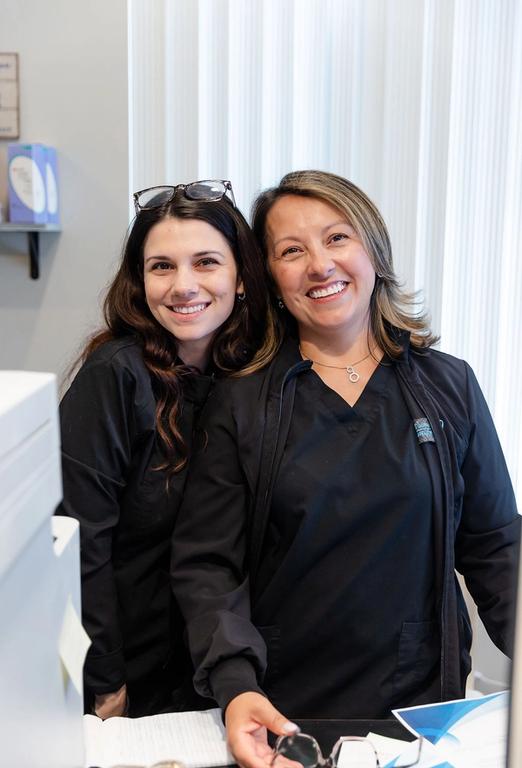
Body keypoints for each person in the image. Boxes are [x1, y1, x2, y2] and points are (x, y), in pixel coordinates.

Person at [171, 170, 521, 766]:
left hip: (422, 710)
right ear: (272, 280)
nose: (318, 265)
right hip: (282, 711)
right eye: (290, 251)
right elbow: (209, 564)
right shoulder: (243, 400)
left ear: (373, 252)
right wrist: (236, 685)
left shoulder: (447, 385)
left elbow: (495, 547)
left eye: (337, 238)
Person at [57, 180, 277, 719]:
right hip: (127, 669)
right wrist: (105, 681)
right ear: (140, 280)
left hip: (226, 663)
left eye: (205, 262)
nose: (183, 286)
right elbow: (80, 542)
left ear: (241, 276)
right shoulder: (116, 376)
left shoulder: (258, 375)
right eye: (161, 266)